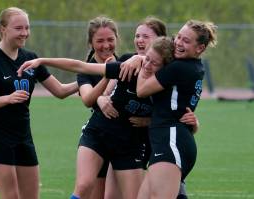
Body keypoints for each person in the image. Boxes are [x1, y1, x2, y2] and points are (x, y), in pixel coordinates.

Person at [17, 36, 199, 199]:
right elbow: (81, 66)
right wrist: (42, 60)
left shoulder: (165, 87)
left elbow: (175, 115)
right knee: (84, 185)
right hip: (99, 132)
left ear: (165, 69)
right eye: (147, 58)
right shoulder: (129, 68)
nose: (147, 65)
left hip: (130, 144)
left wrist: (193, 122)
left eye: (154, 63)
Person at [0, 7, 78, 199]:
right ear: (3, 29)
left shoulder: (30, 59)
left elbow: (60, 91)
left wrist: (86, 82)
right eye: (18, 28)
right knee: (11, 196)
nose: (25, 33)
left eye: (27, 28)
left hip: (23, 137)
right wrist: (7, 99)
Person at [121, 19, 217, 199]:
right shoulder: (194, 65)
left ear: (200, 48)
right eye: (178, 37)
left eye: (186, 41)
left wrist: (141, 61)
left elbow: (141, 90)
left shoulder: (179, 67)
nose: (179, 43)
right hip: (169, 141)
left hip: (171, 141)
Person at [76, 15, 121, 199]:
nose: (106, 45)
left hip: (125, 141)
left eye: (110, 40)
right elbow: (87, 99)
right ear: (91, 42)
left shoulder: (127, 63)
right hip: (99, 138)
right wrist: (107, 76)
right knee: (89, 190)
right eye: (100, 41)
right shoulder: (86, 70)